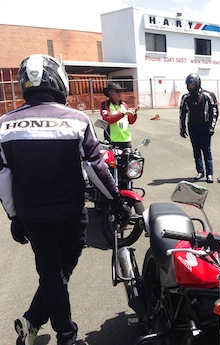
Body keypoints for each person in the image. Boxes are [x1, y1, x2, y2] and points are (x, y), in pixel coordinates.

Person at [0, 54, 130, 345]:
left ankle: (32, 319)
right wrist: (116, 201)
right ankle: (66, 335)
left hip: (32, 216)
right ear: (58, 81)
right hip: (70, 213)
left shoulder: (4, 124)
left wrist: (13, 217)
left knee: (50, 271)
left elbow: (3, 178)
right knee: (59, 272)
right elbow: (95, 166)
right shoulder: (76, 119)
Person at [179, 73, 219, 183]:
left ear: (197, 84)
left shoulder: (208, 95)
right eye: (188, 85)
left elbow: (214, 112)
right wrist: (182, 127)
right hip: (192, 127)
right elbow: (182, 113)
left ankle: (209, 174)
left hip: (205, 127)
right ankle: (200, 171)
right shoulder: (185, 97)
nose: (190, 87)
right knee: (196, 150)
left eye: (192, 85)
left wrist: (212, 127)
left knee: (206, 150)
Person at [100, 81, 140, 149]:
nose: (120, 94)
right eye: (117, 91)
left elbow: (131, 121)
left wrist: (134, 113)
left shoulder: (124, 105)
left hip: (126, 140)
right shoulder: (105, 104)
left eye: (121, 91)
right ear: (110, 93)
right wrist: (123, 114)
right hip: (112, 141)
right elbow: (107, 119)